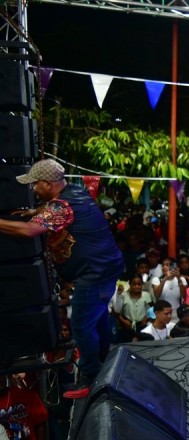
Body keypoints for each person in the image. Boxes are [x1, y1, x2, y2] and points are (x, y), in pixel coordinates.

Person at [0, 159, 124, 399]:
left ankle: (91, 377)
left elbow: (29, 231)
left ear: (47, 183)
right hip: (106, 268)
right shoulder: (75, 192)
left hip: (94, 274)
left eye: (35, 184)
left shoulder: (61, 207)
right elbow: (55, 210)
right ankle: (104, 363)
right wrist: (35, 212)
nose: (33, 189)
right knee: (98, 320)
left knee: (81, 325)